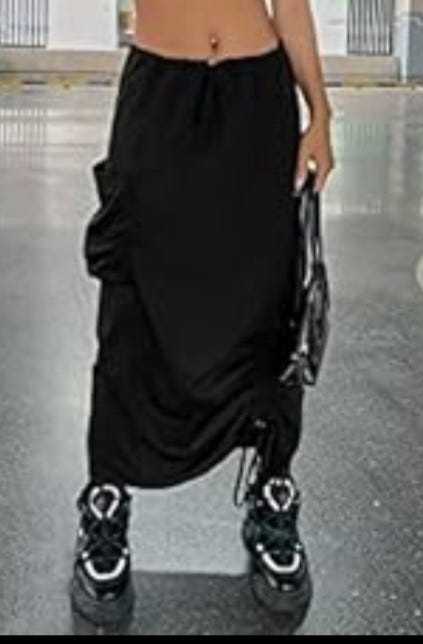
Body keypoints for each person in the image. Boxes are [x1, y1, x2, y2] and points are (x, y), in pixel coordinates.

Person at [70, 0, 334, 629]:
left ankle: (272, 491)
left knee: (268, 296)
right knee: (131, 296)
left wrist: (320, 113)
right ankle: (106, 497)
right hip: (160, 93)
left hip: (257, 97)